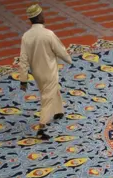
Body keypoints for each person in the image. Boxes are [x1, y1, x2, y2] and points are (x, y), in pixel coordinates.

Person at [18, 4, 72, 140]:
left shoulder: (26, 36)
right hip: (49, 71)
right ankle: (41, 128)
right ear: (39, 16)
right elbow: (60, 50)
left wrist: (23, 79)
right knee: (47, 98)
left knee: (52, 90)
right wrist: (68, 59)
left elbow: (23, 59)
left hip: (37, 73)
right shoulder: (48, 34)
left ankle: (58, 111)